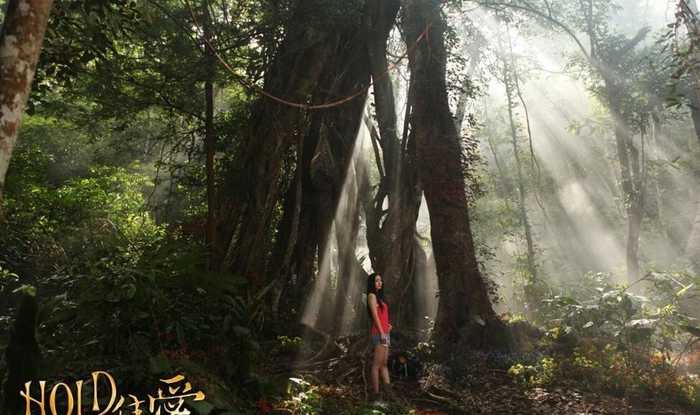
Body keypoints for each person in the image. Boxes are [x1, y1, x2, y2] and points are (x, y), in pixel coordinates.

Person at [367, 272, 392, 402]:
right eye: (377, 281)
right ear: (372, 283)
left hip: (385, 333)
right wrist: (382, 332)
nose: (380, 283)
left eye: (380, 281)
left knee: (384, 364)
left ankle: (389, 394)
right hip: (378, 333)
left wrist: (388, 326)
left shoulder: (380, 298)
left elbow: (382, 316)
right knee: (377, 365)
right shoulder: (371, 296)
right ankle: (376, 395)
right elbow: (375, 316)